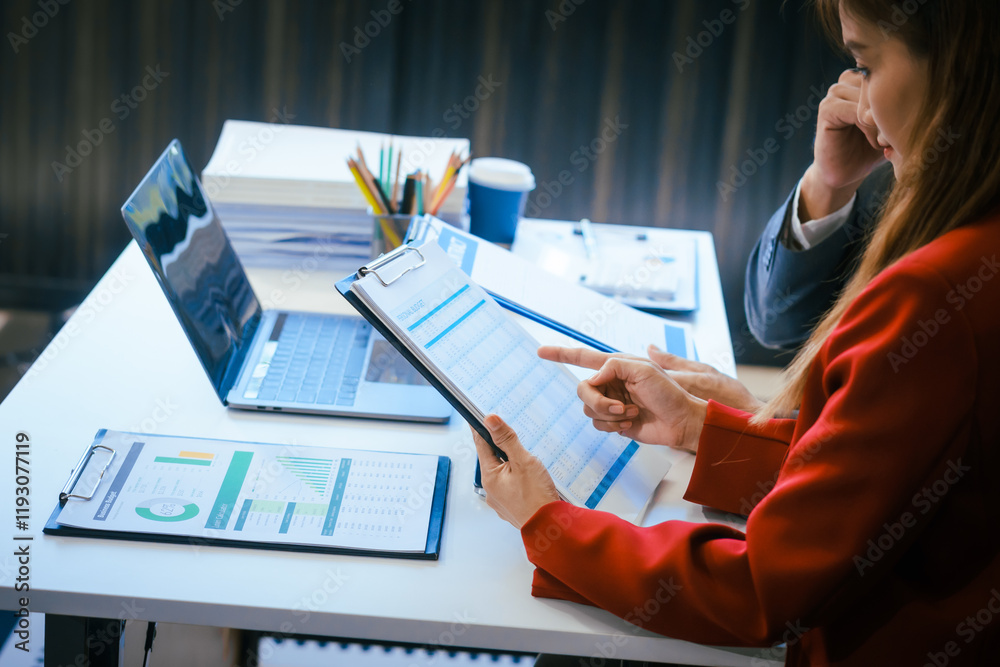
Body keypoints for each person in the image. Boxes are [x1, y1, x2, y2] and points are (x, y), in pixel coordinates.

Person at [472, 1, 1000, 664]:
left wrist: (549, 524)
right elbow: (879, 491)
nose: (861, 103)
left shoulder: (937, 295)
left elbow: (764, 589)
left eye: (865, 63)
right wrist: (701, 428)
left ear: (956, 67)